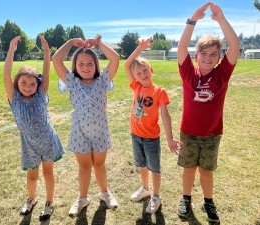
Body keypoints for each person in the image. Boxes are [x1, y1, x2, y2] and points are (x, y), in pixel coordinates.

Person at [176, 2, 240, 223]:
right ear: (197, 56)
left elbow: (234, 45)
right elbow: (182, 46)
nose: (208, 57)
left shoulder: (222, 74)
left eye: (214, 54)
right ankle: (185, 198)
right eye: (204, 53)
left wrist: (221, 19)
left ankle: (208, 201)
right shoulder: (188, 74)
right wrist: (193, 19)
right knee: (188, 169)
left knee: (206, 171)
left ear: (219, 57)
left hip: (212, 135)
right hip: (189, 133)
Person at [52, 34, 120, 217]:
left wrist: (99, 44)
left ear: (96, 65)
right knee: (84, 167)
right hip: (79, 132)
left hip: (100, 132)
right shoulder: (72, 82)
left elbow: (115, 58)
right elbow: (56, 59)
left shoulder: (103, 80)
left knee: (99, 165)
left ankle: (105, 193)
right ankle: (83, 198)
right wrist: (70, 42)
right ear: (75, 66)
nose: (85, 67)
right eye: (80, 64)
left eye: (90, 63)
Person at [3, 34, 65, 221]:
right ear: (17, 83)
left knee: (48, 173)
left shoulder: (40, 95)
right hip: (29, 145)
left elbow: (46, 73)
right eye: (23, 83)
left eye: (32, 84)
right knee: (31, 176)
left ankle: (49, 202)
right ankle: (31, 199)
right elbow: (6, 74)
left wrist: (47, 52)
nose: (28, 87)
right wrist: (11, 51)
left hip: (47, 141)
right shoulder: (14, 99)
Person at [124, 37, 181, 214]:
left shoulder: (159, 91)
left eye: (145, 70)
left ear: (151, 69)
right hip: (135, 135)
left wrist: (170, 139)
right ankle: (145, 188)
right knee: (141, 165)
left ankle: (156, 196)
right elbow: (127, 65)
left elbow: (165, 115)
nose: (142, 75)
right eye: (138, 73)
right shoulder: (136, 87)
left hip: (150, 138)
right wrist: (139, 48)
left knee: (154, 168)